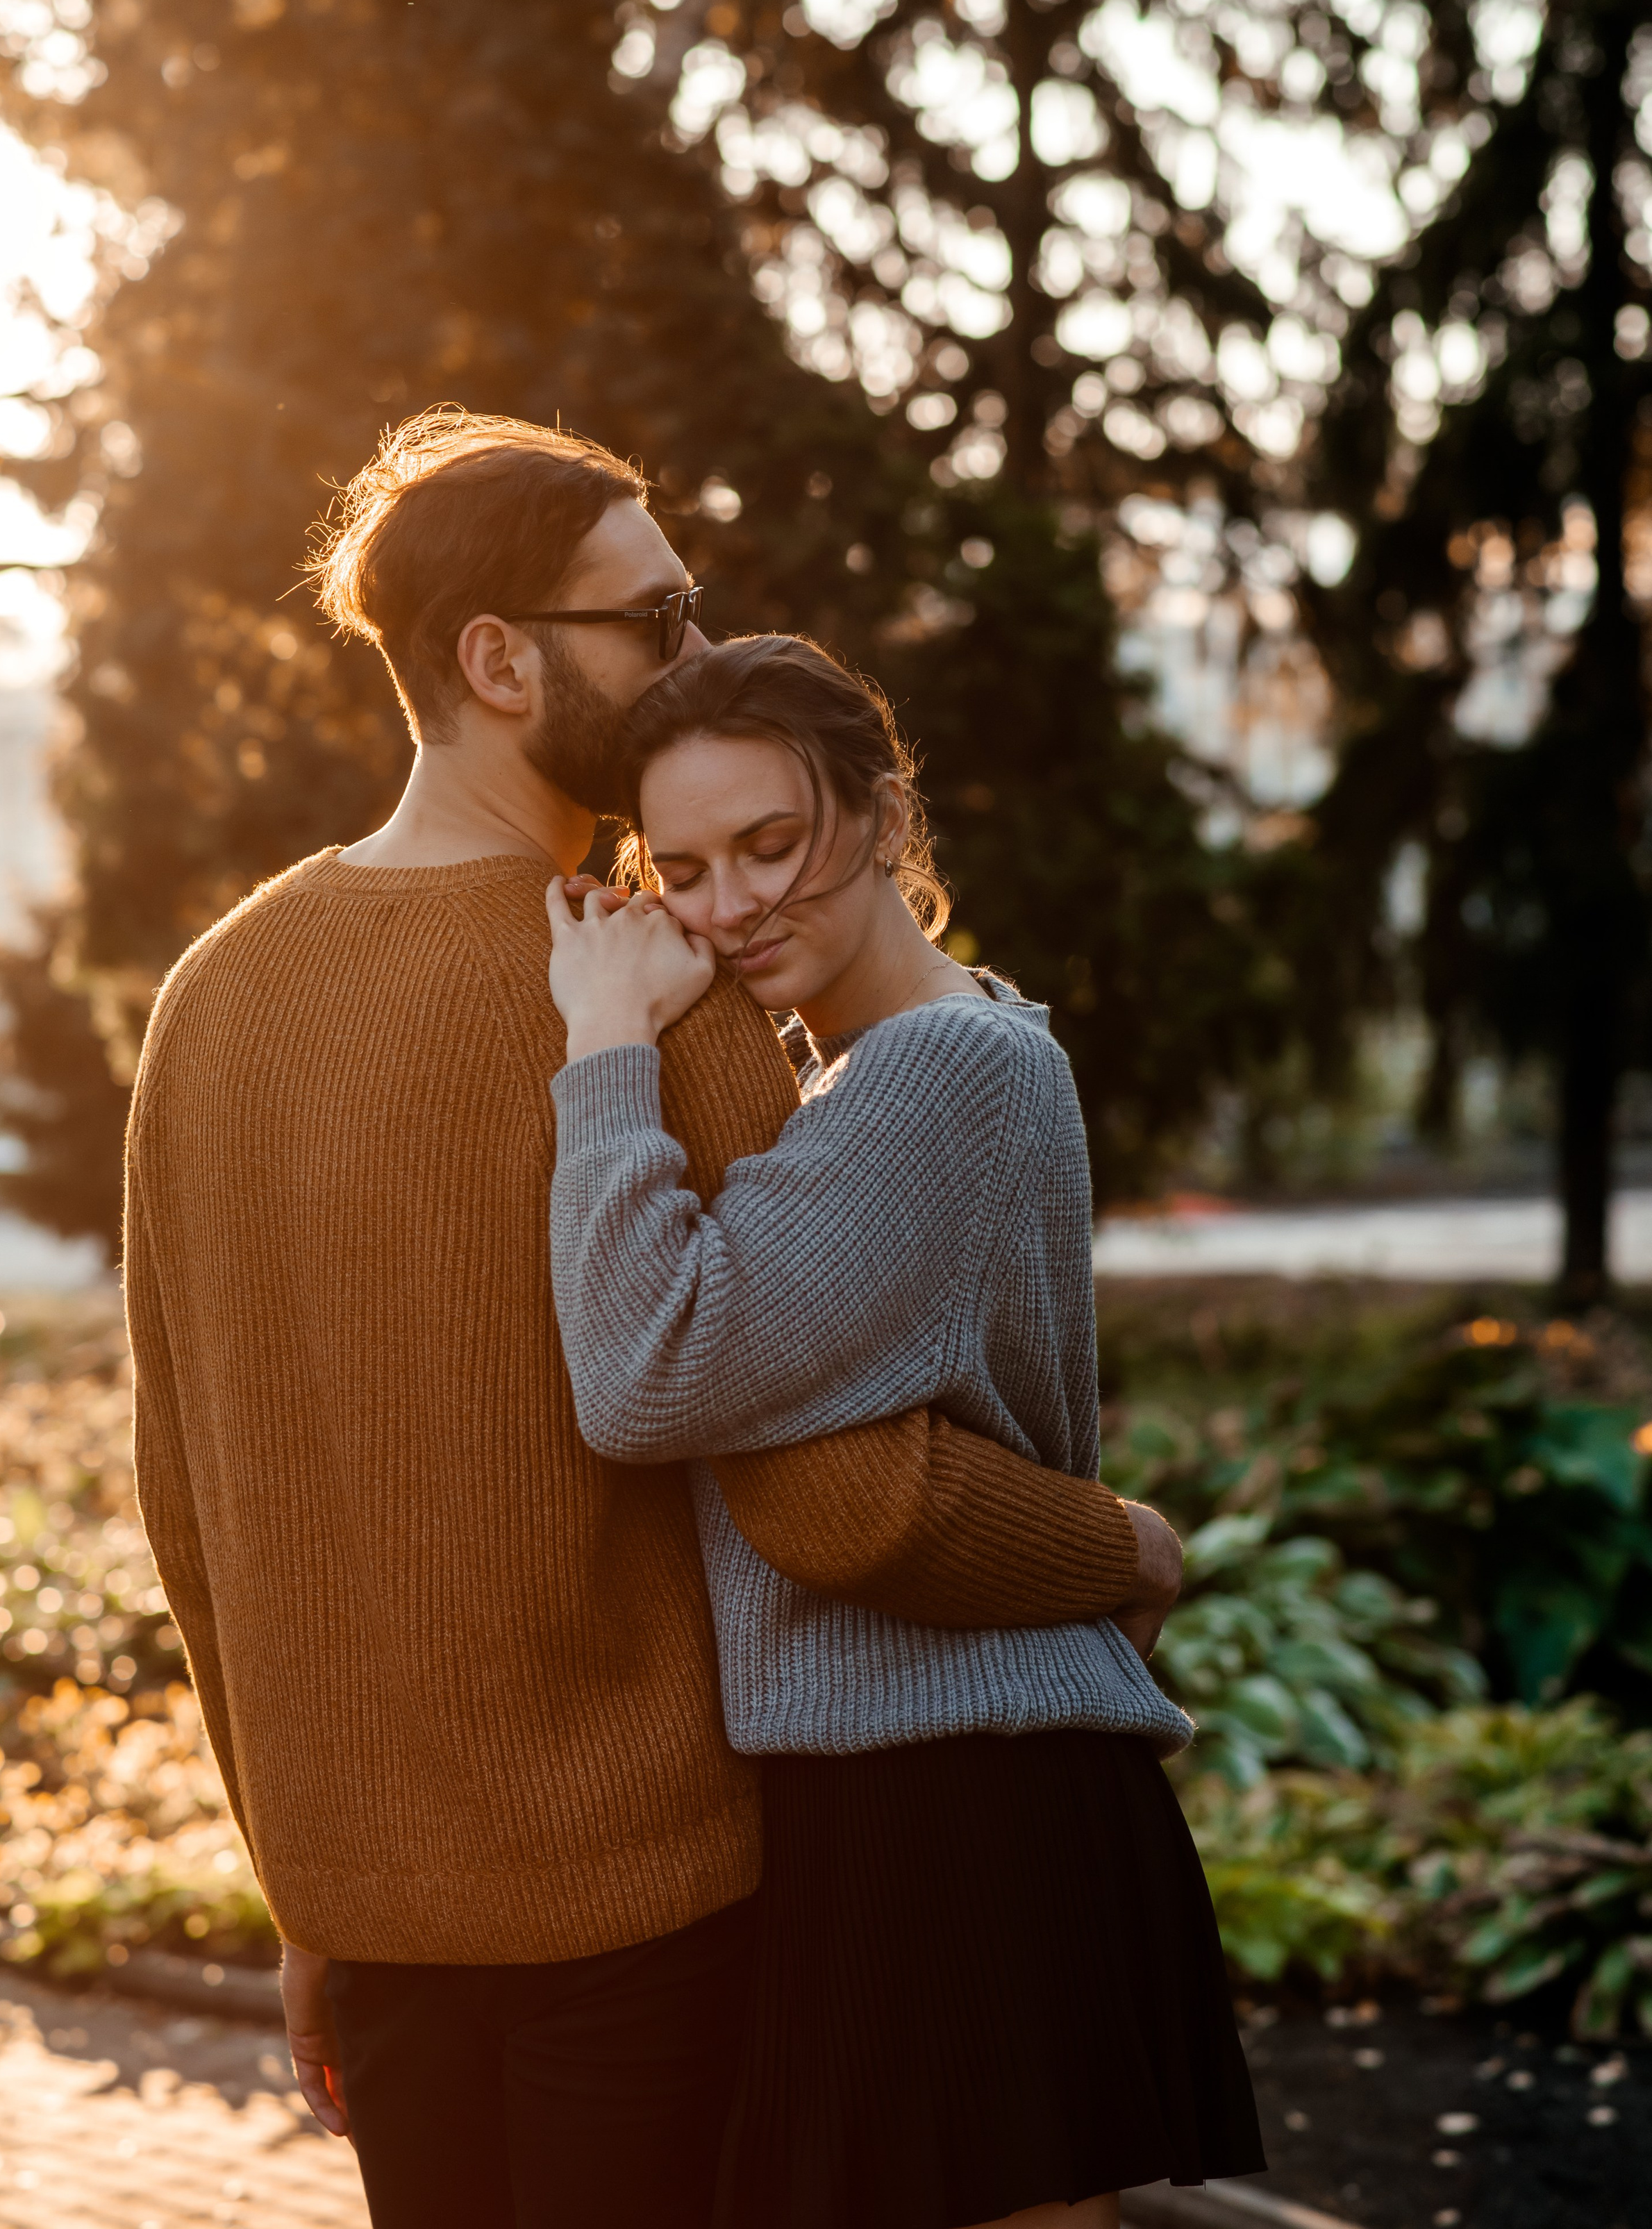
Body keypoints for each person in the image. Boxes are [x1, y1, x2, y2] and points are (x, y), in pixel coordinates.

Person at [124, 409, 1187, 2229]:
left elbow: (188, 1501)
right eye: (659, 615)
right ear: (499, 657)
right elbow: (833, 1494)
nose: (698, 653)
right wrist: (1115, 1540)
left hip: (373, 1923)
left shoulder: (208, 1000)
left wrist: (305, 1891)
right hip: (652, 1906)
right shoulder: (649, 987)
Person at [546, 632, 1267, 2229]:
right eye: (682, 867)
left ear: (878, 818)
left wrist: (603, 1052)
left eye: (771, 844)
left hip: (954, 1804)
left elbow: (646, 1370)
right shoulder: (898, 1062)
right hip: (923, 1786)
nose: (729, 905)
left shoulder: (935, 1070)